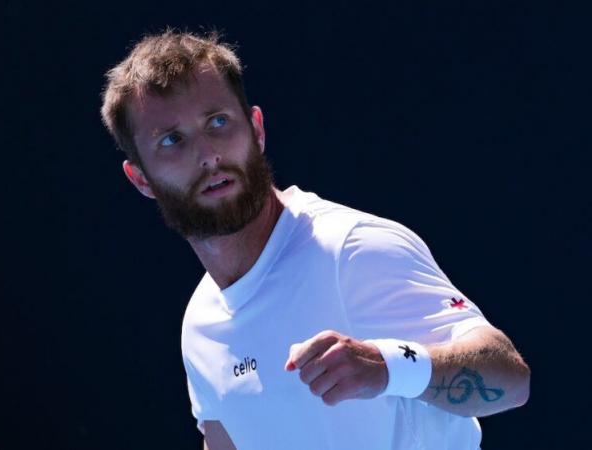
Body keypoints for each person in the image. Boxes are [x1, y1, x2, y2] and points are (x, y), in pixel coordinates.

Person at [100, 29, 530, 450]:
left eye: (218, 122)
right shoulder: (199, 328)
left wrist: (389, 366)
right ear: (141, 179)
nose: (208, 154)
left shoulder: (351, 249)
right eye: (172, 140)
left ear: (257, 129)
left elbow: (509, 378)